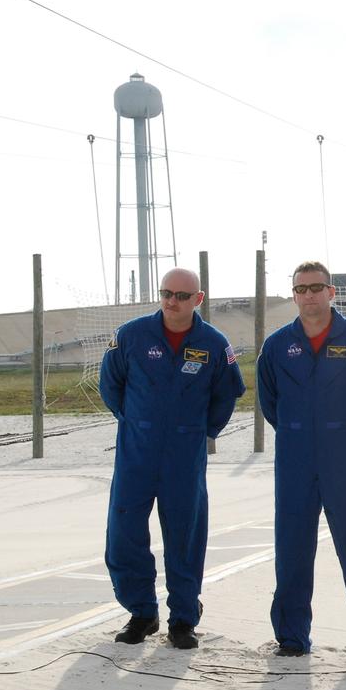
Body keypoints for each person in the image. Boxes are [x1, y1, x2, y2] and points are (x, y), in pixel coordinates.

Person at [257, 261, 346, 660]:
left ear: (331, 292)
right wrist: (298, 429)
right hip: (296, 458)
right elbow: (270, 401)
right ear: (294, 294)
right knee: (292, 546)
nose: (309, 295)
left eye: (316, 287)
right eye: (301, 289)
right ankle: (291, 636)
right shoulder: (278, 346)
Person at [100, 267, 245, 649]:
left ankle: (183, 618)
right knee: (124, 533)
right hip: (137, 452)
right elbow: (110, 385)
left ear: (198, 299)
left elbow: (226, 396)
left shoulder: (213, 343)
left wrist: (199, 433)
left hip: (184, 454)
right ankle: (142, 613)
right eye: (166, 293)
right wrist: (135, 423)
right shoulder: (131, 336)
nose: (172, 301)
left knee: (185, 535)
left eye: (182, 295)